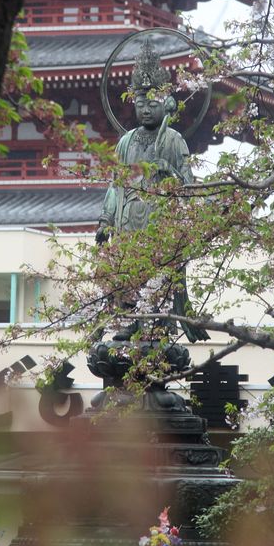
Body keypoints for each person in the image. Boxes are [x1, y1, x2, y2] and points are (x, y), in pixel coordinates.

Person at [95, 39, 209, 342]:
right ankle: (131, 320)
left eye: (153, 105)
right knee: (127, 271)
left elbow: (188, 184)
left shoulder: (173, 139)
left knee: (160, 271)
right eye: (141, 105)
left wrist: (168, 171)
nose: (146, 110)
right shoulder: (126, 141)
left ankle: (160, 322)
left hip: (159, 219)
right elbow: (115, 184)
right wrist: (106, 220)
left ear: (165, 104)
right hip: (128, 217)